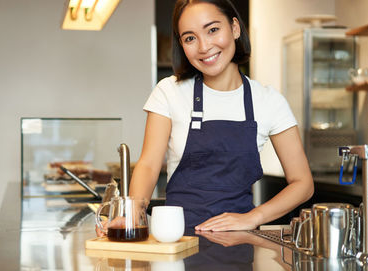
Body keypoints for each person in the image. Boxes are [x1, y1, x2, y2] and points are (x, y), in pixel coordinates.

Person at [101, 0, 314, 235]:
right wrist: (131, 215)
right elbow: (149, 165)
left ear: (234, 28)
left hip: (239, 243)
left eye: (213, 30)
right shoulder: (169, 92)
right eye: (190, 38)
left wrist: (253, 217)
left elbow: (303, 183)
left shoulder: (269, 101)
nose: (203, 47)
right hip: (177, 241)